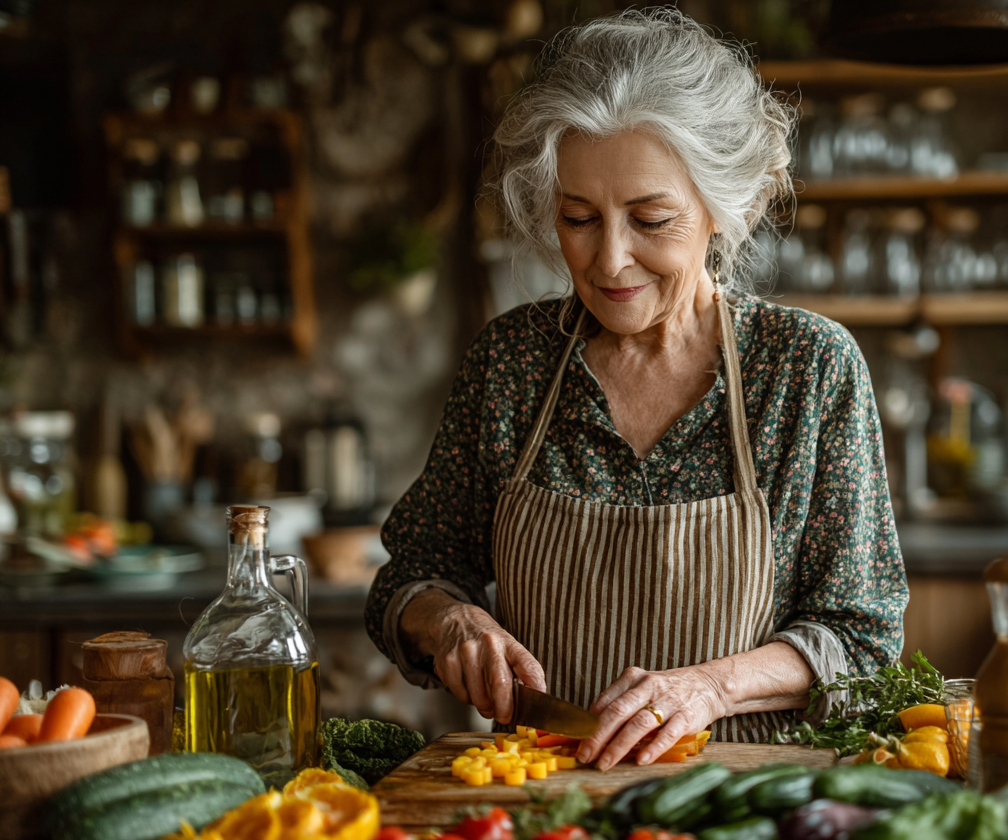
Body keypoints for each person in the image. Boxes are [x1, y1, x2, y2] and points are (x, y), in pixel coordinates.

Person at [366, 8, 907, 770]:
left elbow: (863, 638)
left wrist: (710, 691)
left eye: (651, 219)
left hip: (739, 810)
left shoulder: (806, 370)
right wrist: (451, 622)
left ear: (732, 208)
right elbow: (408, 577)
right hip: (538, 815)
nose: (611, 260)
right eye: (578, 218)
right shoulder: (513, 365)